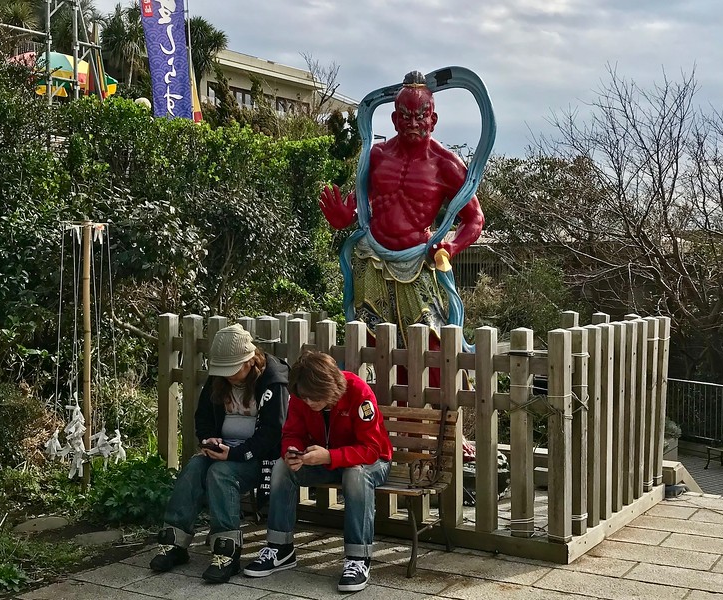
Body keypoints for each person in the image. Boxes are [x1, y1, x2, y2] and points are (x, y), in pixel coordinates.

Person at [320, 71, 485, 369]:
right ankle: (375, 400)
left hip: (416, 260)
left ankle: (436, 408)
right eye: (406, 116)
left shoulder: (446, 164)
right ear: (395, 120)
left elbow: (474, 218)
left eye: (421, 116)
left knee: (430, 339)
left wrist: (451, 247)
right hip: (372, 257)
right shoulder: (377, 156)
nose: (413, 124)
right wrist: (346, 216)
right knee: (370, 336)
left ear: (433, 120)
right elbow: (359, 202)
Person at [149, 324, 289, 584]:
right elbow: (202, 417)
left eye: (233, 369)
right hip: (222, 450)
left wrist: (235, 454)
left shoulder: (273, 381)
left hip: (259, 457)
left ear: (249, 360)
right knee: (194, 467)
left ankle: (227, 551)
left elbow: (272, 434)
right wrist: (208, 439)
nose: (229, 376)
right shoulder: (219, 380)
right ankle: (175, 542)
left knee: (221, 473)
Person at [243, 350, 392, 593]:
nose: (308, 402)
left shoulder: (359, 392)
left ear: (328, 385)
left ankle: (358, 559)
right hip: (325, 460)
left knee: (355, 474)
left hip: (370, 463)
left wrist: (330, 456)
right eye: (304, 397)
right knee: (282, 467)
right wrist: (292, 451)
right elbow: (292, 433)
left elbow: (372, 449)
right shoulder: (301, 396)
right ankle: (281, 549)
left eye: (313, 397)